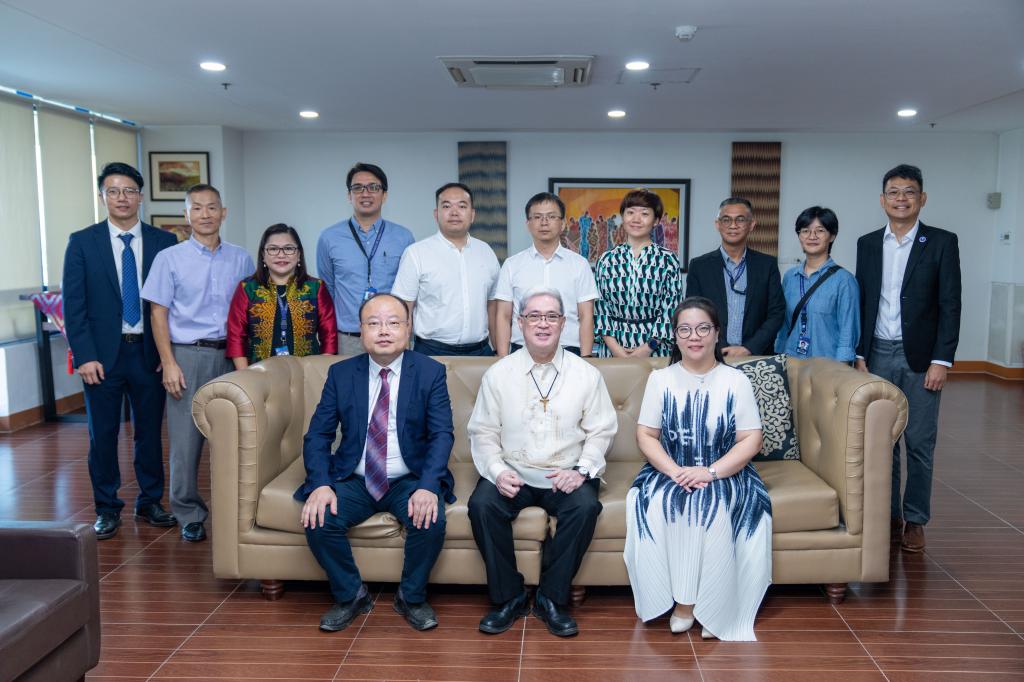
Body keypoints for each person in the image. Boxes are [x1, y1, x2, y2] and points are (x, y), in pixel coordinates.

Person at [297, 293, 454, 632]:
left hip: (408, 476)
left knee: (431, 519)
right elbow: (318, 435)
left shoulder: (430, 372)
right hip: (355, 477)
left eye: (393, 323)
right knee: (319, 518)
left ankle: (411, 598)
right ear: (361, 331)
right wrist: (321, 484)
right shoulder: (341, 374)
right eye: (374, 323)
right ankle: (351, 595)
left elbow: (442, 434)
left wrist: (428, 486)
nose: (384, 330)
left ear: (408, 329)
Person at [468, 287, 617, 637]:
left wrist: (581, 471)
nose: (543, 323)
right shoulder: (499, 374)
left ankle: (551, 598)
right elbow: (483, 432)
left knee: (584, 507)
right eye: (534, 316)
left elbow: (602, 430)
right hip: (513, 471)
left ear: (563, 323)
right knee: (482, 505)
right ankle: (510, 597)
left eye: (551, 316)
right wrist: (498, 472)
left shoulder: (585, 374)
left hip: (565, 472)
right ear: (520, 323)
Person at [625, 296, 771, 641]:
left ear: (717, 333)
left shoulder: (736, 380)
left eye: (703, 328)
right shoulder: (660, 379)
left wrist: (711, 472)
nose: (694, 336)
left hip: (725, 468)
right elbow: (646, 435)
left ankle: (715, 606)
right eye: (685, 330)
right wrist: (674, 471)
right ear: (675, 336)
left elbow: (751, 439)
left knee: (714, 505)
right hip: (670, 466)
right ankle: (684, 603)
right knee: (661, 503)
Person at [63, 162, 178, 540]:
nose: (122, 198)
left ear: (140, 196)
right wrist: (84, 356)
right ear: (103, 197)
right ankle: (107, 508)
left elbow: (172, 303)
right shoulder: (83, 242)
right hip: (101, 358)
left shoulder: (164, 242)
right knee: (103, 435)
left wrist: (167, 354)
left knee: (150, 433)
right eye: (113, 191)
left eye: (129, 190)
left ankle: (151, 501)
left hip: (148, 353)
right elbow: (74, 305)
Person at [855, 164, 961, 553]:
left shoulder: (942, 242)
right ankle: (889, 516)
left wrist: (941, 360)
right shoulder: (868, 243)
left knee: (918, 441)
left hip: (921, 358)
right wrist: (860, 353)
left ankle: (915, 520)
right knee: (882, 441)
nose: (901, 199)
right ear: (882, 199)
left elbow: (950, 304)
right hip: (877, 354)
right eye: (894, 192)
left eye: (909, 192)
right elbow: (864, 299)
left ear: (922, 198)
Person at [141, 183, 254, 542]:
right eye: (197, 208)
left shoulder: (242, 258)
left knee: (235, 438)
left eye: (212, 207)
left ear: (224, 212)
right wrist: (168, 362)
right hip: (187, 355)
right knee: (186, 441)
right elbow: (158, 313)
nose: (205, 214)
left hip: (232, 355)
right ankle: (188, 513)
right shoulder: (169, 259)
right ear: (186, 215)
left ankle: (236, 511)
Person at [317, 162, 414, 356]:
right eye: (358, 188)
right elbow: (329, 288)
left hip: (392, 336)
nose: (365, 193)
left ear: (384, 195)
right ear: (349, 195)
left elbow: (409, 290)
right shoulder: (329, 238)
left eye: (373, 187)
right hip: (347, 339)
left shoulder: (404, 238)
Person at [392, 183, 499, 356]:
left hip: (480, 351)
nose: (454, 212)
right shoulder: (416, 253)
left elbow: (493, 307)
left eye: (462, 206)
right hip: (430, 351)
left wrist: (499, 353)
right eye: (447, 206)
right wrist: (402, 358)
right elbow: (403, 310)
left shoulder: (486, 252)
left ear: (472, 214)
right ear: (436, 214)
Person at [494, 193, 599, 357]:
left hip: (569, 351)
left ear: (562, 224)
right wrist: (503, 360)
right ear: (528, 224)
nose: (544, 222)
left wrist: (586, 359)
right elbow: (503, 316)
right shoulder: (511, 265)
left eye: (551, 216)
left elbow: (586, 316)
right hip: (522, 350)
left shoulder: (579, 265)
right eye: (537, 217)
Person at [685, 198, 786, 357]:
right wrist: (720, 347)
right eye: (726, 220)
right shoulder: (699, 266)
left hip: (756, 356)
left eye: (740, 219)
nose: (733, 225)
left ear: (751, 224)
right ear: (717, 224)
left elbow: (777, 313)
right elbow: (694, 313)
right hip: (712, 354)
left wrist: (749, 348)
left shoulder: (767, 265)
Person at [226, 224, 337, 369]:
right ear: (263, 255)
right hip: (258, 374)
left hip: (308, 374)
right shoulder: (247, 289)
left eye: (288, 248)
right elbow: (236, 337)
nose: (281, 255)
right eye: (273, 249)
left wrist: (320, 373)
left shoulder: (316, 288)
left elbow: (329, 336)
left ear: (299, 254)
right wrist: (246, 375)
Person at [594, 189, 683, 359]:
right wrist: (615, 349)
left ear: (656, 220)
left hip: (656, 348)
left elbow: (672, 308)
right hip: (612, 347)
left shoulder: (668, 260)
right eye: (630, 212)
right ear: (622, 217)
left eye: (644, 214)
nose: (636, 219)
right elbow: (600, 308)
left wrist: (648, 347)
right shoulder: (606, 259)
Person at [775, 207, 860, 362]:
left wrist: (841, 368)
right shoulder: (790, 277)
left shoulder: (845, 280)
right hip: (791, 360)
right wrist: (779, 356)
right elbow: (784, 324)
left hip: (827, 366)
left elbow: (848, 331)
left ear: (832, 236)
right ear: (799, 236)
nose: (812, 236)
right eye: (805, 231)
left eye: (820, 231)